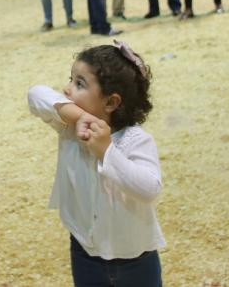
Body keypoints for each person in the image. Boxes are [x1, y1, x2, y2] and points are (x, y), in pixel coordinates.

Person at [27, 41, 164, 287]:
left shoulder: (136, 140)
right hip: (85, 253)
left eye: (79, 84)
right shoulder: (69, 126)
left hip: (136, 259)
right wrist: (81, 117)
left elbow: (149, 188)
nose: (67, 89)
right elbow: (35, 94)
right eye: (70, 78)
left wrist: (106, 151)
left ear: (111, 102)